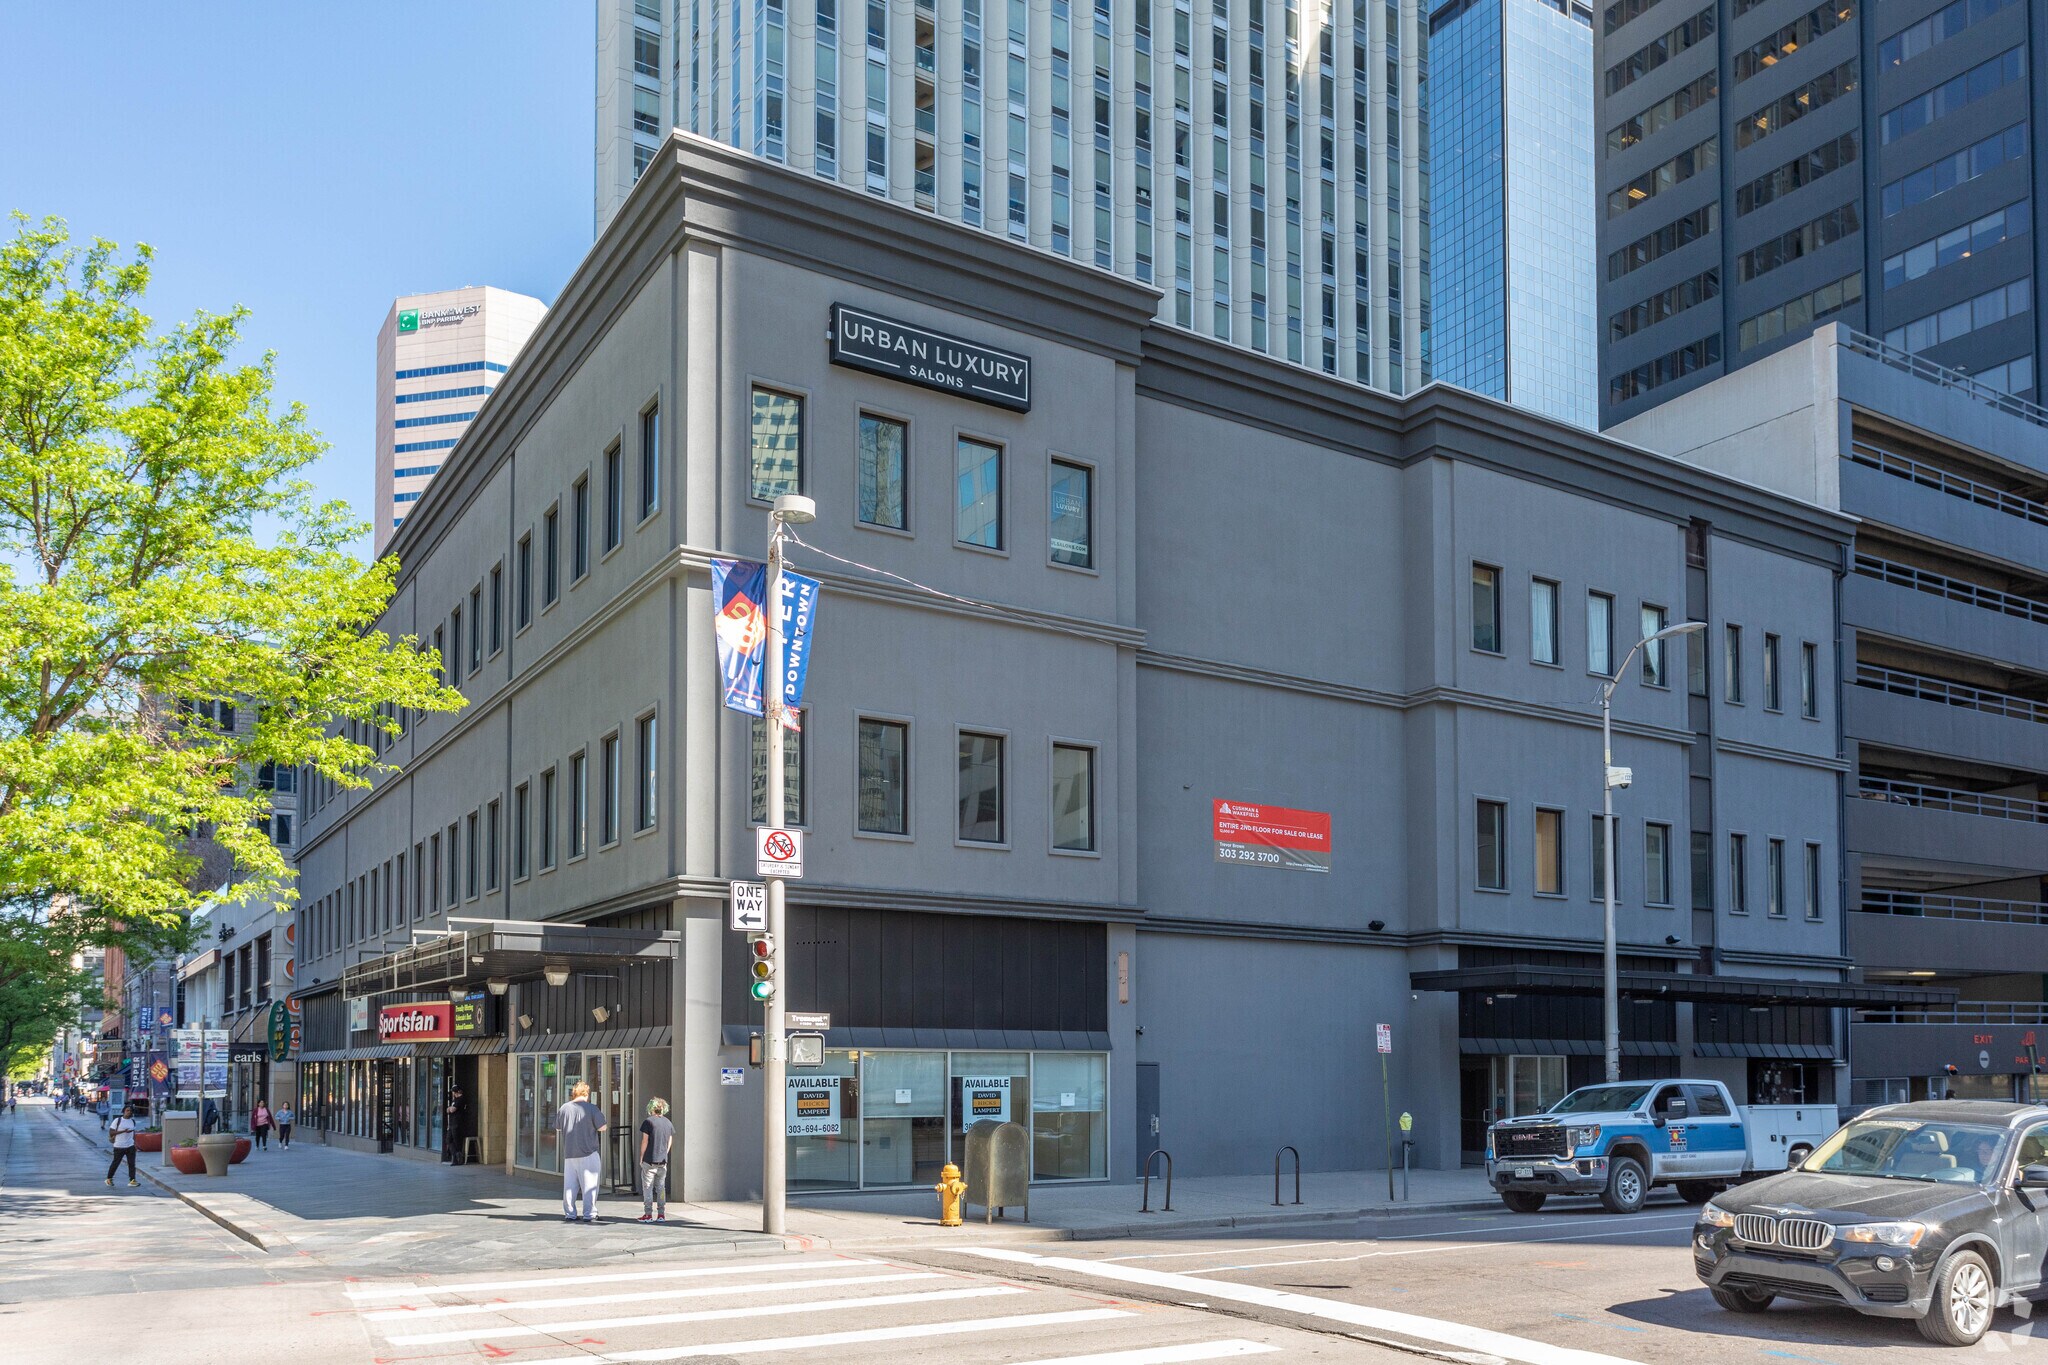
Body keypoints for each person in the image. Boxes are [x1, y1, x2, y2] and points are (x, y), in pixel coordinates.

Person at [554, 1080, 608, 1223]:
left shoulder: (564, 1108)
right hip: (588, 1152)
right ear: (586, 1093)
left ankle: (570, 1213)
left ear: (573, 1093)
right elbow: (603, 1127)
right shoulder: (591, 1108)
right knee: (590, 1185)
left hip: (570, 1153)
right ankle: (589, 1213)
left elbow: (558, 1128)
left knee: (570, 1186)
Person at [638, 1098, 674, 1223]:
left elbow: (645, 1141)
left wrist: (641, 1156)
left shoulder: (648, 1122)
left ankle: (648, 1214)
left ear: (651, 1108)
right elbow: (669, 1141)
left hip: (649, 1160)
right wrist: (665, 1152)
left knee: (647, 1187)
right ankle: (661, 1214)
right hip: (662, 1161)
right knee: (661, 1188)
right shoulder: (668, 1123)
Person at [105, 1101, 141, 1188]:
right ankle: (109, 1178)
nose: (129, 1112)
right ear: (124, 1111)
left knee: (132, 1164)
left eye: (130, 1111)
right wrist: (124, 1131)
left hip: (130, 1146)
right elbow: (111, 1132)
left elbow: (133, 1133)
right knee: (116, 1163)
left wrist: (135, 1144)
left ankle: (132, 1180)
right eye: (127, 1110)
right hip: (119, 1146)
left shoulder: (132, 1121)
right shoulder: (118, 1120)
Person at [442, 1083, 468, 1165]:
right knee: (448, 1140)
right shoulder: (454, 1100)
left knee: (456, 1141)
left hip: (457, 1123)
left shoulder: (461, 1099)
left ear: (456, 1092)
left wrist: (450, 1109)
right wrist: (450, 1109)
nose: (453, 1093)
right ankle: (456, 1154)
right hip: (451, 1123)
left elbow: (452, 1109)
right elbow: (448, 1109)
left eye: (453, 1092)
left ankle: (456, 1159)